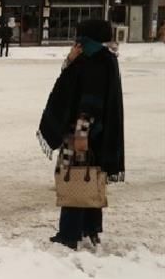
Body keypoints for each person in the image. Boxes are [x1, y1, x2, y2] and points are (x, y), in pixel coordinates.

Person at [37, 19, 124, 250]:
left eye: (80, 36)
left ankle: (69, 233)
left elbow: (90, 100)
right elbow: (72, 85)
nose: (77, 41)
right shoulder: (102, 59)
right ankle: (90, 229)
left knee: (74, 178)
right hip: (94, 132)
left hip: (81, 131)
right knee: (91, 177)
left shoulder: (93, 61)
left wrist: (81, 133)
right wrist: (70, 61)